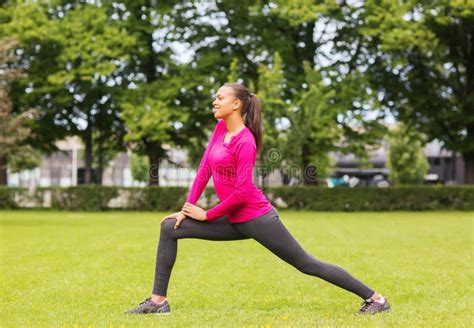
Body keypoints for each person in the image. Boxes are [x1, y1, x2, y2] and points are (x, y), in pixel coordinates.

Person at [125, 83, 391, 316]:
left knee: (307, 264)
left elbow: (242, 192)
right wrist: (185, 210)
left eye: (220, 98)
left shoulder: (246, 141)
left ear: (236, 104)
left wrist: (207, 214)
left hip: (256, 218)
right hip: (231, 219)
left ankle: (376, 299)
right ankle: (158, 301)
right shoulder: (220, 129)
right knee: (169, 228)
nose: (214, 102)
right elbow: (204, 169)